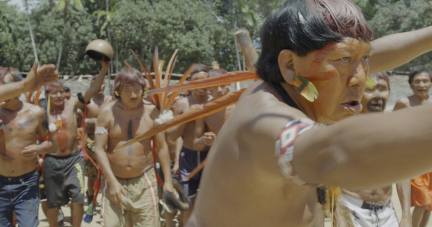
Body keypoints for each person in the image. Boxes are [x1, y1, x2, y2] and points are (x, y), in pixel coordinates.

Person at [185, 0, 432, 226]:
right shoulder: (264, 120)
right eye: (345, 59)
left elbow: (369, 53)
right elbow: (336, 154)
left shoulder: (297, 81)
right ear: (290, 65)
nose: (360, 79)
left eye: (364, 59)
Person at [94, 67, 174, 227]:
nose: (133, 95)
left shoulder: (152, 112)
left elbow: (162, 147)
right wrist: (112, 182)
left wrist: (168, 182)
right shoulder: (106, 112)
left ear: (143, 89)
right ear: (117, 91)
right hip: (113, 179)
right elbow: (99, 149)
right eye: (127, 90)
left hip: (144, 179)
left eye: (137, 89)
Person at [337, 72, 412, 227]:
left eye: (383, 89)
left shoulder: (395, 129)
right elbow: (330, 177)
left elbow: (403, 173)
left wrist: (406, 215)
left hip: (386, 212)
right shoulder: (343, 127)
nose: (377, 95)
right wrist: (339, 215)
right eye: (370, 90)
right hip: (352, 210)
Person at [43, 60, 109, 227]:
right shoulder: (41, 112)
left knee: (78, 198)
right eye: (53, 93)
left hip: (73, 160)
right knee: (53, 202)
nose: (58, 95)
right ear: (47, 96)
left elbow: (93, 89)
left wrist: (104, 69)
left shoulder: (71, 104)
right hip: (51, 161)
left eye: (60, 92)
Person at [0, 66, 53, 227]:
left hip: (27, 183)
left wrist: (39, 149)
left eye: (8, 87)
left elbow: (49, 142)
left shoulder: (36, 112)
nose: (5, 92)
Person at [166, 64, 213, 226]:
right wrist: (187, 116)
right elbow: (172, 136)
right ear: (190, 83)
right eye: (196, 80)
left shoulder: (216, 102)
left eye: (205, 80)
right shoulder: (182, 104)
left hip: (210, 158)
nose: (201, 84)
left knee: (210, 204)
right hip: (188, 158)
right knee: (188, 205)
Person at [394, 66, 432, 227]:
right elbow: (390, 125)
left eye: (425, 81)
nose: (421, 84)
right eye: (417, 81)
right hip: (413, 162)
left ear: (430, 83)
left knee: (429, 205)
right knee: (422, 202)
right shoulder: (404, 103)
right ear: (410, 85)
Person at [80, 75, 112, 207]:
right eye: (97, 84)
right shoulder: (86, 101)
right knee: (92, 173)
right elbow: (79, 120)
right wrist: (92, 122)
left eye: (102, 84)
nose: (100, 87)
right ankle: (90, 199)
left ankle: (107, 197)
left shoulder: (110, 100)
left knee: (106, 170)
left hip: (107, 140)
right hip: (90, 140)